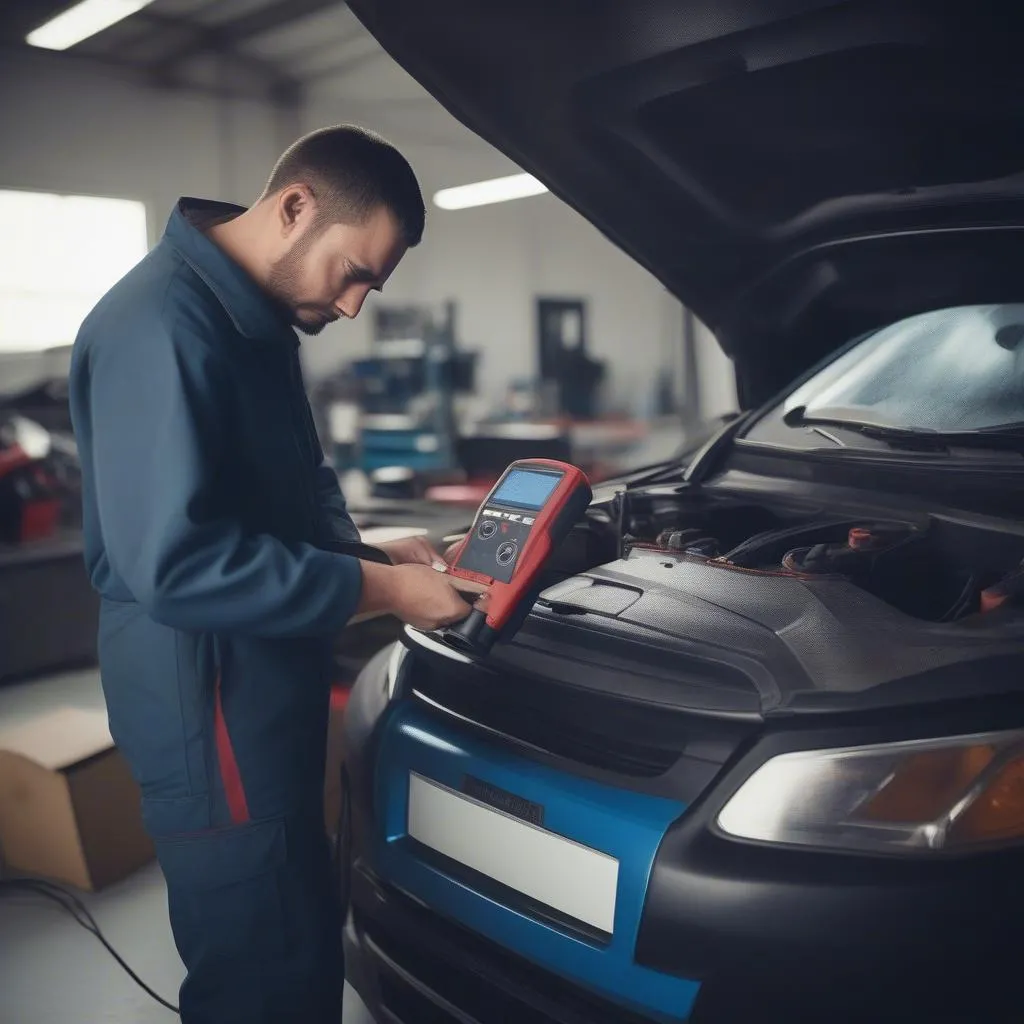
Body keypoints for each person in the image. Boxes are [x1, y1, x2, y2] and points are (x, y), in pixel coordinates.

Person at [68, 125, 487, 1024]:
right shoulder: (162, 330)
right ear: (295, 207)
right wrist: (386, 593)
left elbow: (276, 494)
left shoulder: (249, 315)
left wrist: (367, 553)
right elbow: (178, 564)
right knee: (263, 966)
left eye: (373, 284)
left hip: (262, 678)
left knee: (296, 931)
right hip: (208, 697)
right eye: (353, 273)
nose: (354, 308)